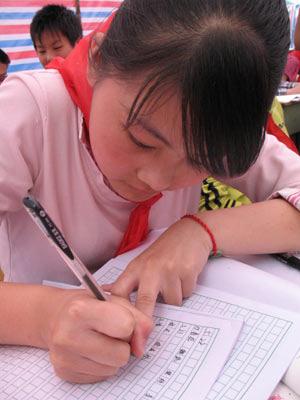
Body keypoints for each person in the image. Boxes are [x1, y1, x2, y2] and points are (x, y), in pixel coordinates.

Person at [1, 0, 300, 384]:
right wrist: (44, 318)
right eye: (142, 140)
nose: (159, 181)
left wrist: (201, 231)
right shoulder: (27, 115)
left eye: (200, 159)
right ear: (97, 57)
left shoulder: (211, 122)